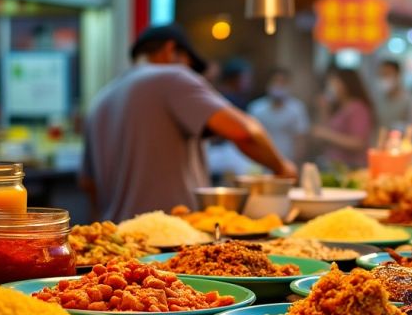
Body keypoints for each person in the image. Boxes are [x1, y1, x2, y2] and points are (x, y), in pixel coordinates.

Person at [80, 25, 296, 222]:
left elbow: (88, 184)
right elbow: (244, 131)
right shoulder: (172, 77)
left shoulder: (100, 100)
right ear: (170, 49)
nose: (190, 73)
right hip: (171, 240)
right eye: (189, 65)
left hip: (119, 242)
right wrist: (282, 167)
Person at [312, 68, 374, 169]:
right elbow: (325, 131)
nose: (331, 88)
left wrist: (326, 135)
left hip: (351, 167)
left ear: (345, 84)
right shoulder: (339, 107)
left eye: (334, 83)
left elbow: (358, 142)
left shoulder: (357, 108)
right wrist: (323, 110)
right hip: (334, 165)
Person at [247, 68, 309, 164]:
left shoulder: (297, 108)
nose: (279, 85)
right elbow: (251, 139)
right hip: (262, 163)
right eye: (275, 81)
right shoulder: (256, 108)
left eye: (283, 82)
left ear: (289, 85)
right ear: (268, 84)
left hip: (288, 162)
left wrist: (295, 163)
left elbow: (300, 139)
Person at [372, 60, 411, 133]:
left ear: (398, 75)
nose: (383, 78)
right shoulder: (376, 99)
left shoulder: (409, 100)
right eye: (380, 74)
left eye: (387, 74)